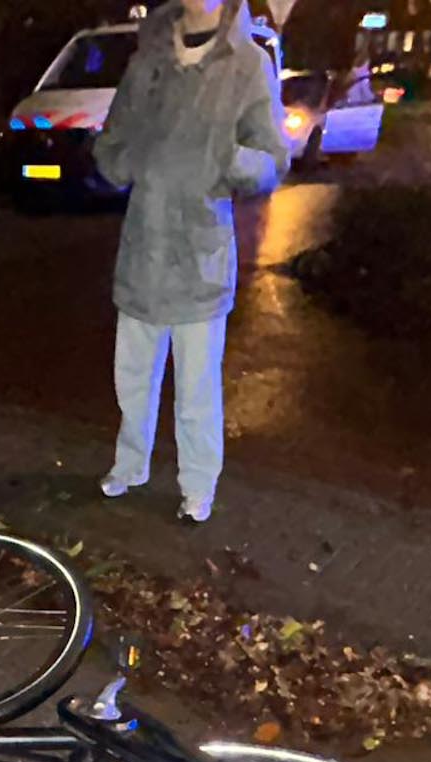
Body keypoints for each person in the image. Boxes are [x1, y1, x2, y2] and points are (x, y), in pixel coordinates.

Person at [93, 0, 288, 525]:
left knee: (197, 388)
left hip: (199, 252)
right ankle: (130, 464)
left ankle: (197, 484)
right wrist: (125, 160)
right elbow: (112, 141)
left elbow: (273, 157)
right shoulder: (147, 59)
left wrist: (232, 161)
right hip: (142, 245)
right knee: (132, 376)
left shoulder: (248, 65)